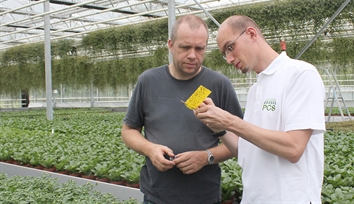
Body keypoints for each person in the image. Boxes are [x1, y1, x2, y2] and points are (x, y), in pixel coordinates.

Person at [194, 15, 326, 203]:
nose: (229, 59)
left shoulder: (300, 75)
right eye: (225, 54)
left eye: (230, 48)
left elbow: (294, 148)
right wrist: (218, 128)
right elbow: (248, 152)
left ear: (251, 33)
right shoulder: (255, 89)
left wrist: (231, 121)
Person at [121, 14, 243, 204]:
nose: (192, 55)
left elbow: (240, 142)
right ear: (171, 45)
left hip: (205, 197)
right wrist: (150, 149)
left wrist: (206, 157)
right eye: (185, 47)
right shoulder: (149, 81)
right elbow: (129, 130)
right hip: (156, 197)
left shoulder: (219, 85)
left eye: (199, 48)